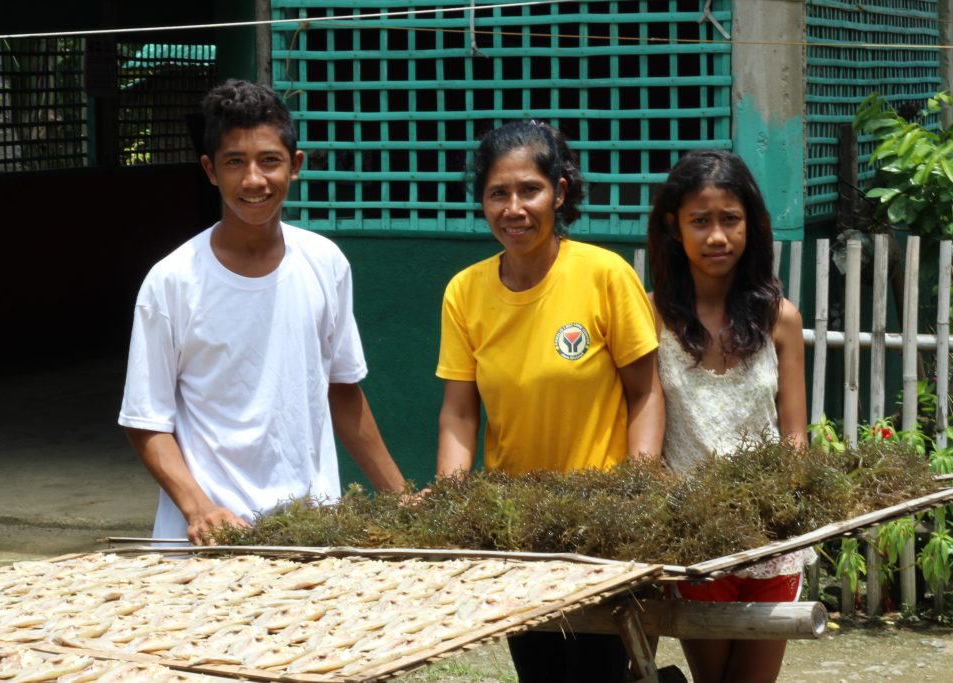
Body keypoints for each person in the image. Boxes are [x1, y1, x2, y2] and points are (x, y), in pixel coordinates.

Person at [118, 79, 406, 546]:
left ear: (295, 165)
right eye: (235, 162)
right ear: (211, 170)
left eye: (269, 160)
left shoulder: (325, 262)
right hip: (205, 547)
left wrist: (402, 500)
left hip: (312, 536)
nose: (254, 180)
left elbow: (343, 391)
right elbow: (146, 422)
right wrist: (200, 509)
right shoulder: (171, 281)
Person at [435, 120, 664, 683]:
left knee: (600, 673)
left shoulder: (605, 275)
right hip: (517, 535)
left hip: (602, 531)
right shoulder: (464, 292)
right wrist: (451, 507)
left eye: (529, 190)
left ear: (559, 193)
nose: (513, 208)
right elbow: (460, 413)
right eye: (498, 193)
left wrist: (633, 493)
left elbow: (646, 393)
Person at [646, 149, 809, 683]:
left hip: (772, 542)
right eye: (700, 221)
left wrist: (782, 513)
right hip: (694, 544)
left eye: (730, 219)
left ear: (751, 225)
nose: (717, 236)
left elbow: (795, 436)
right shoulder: (649, 317)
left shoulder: (781, 319)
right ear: (673, 228)